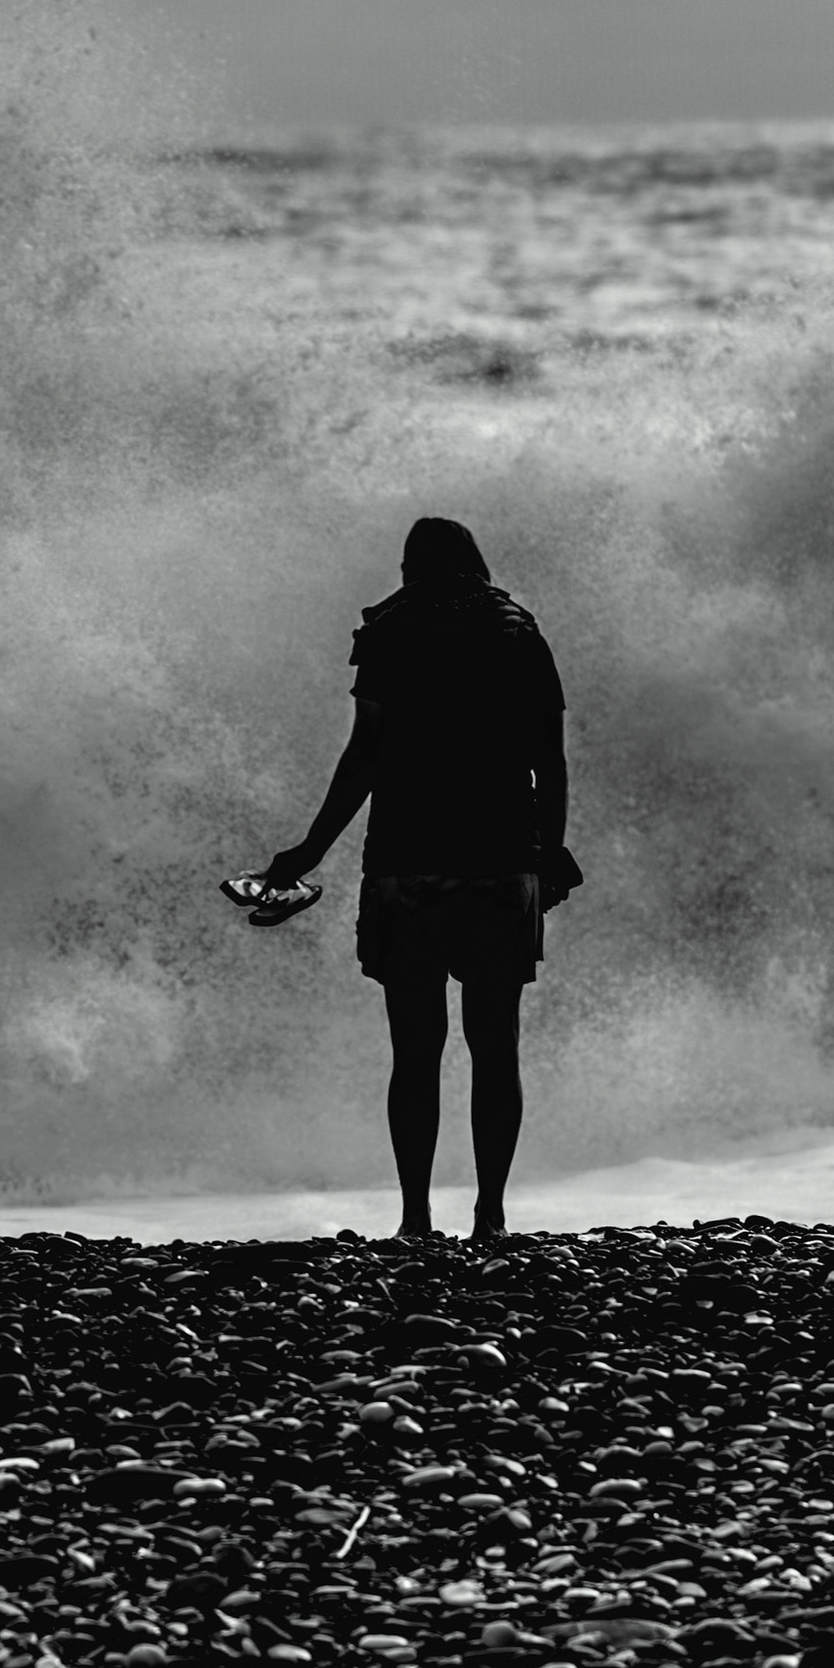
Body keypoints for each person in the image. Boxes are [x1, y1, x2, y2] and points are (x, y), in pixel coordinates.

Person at [265, 516, 578, 1247]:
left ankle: (414, 1218)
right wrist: (551, 853)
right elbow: (550, 758)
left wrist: (308, 853)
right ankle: (491, 1216)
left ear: (410, 566)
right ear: (476, 562)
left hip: (408, 865)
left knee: (416, 1051)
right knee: (494, 1044)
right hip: (503, 861)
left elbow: (365, 755)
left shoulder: (391, 631)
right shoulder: (519, 632)